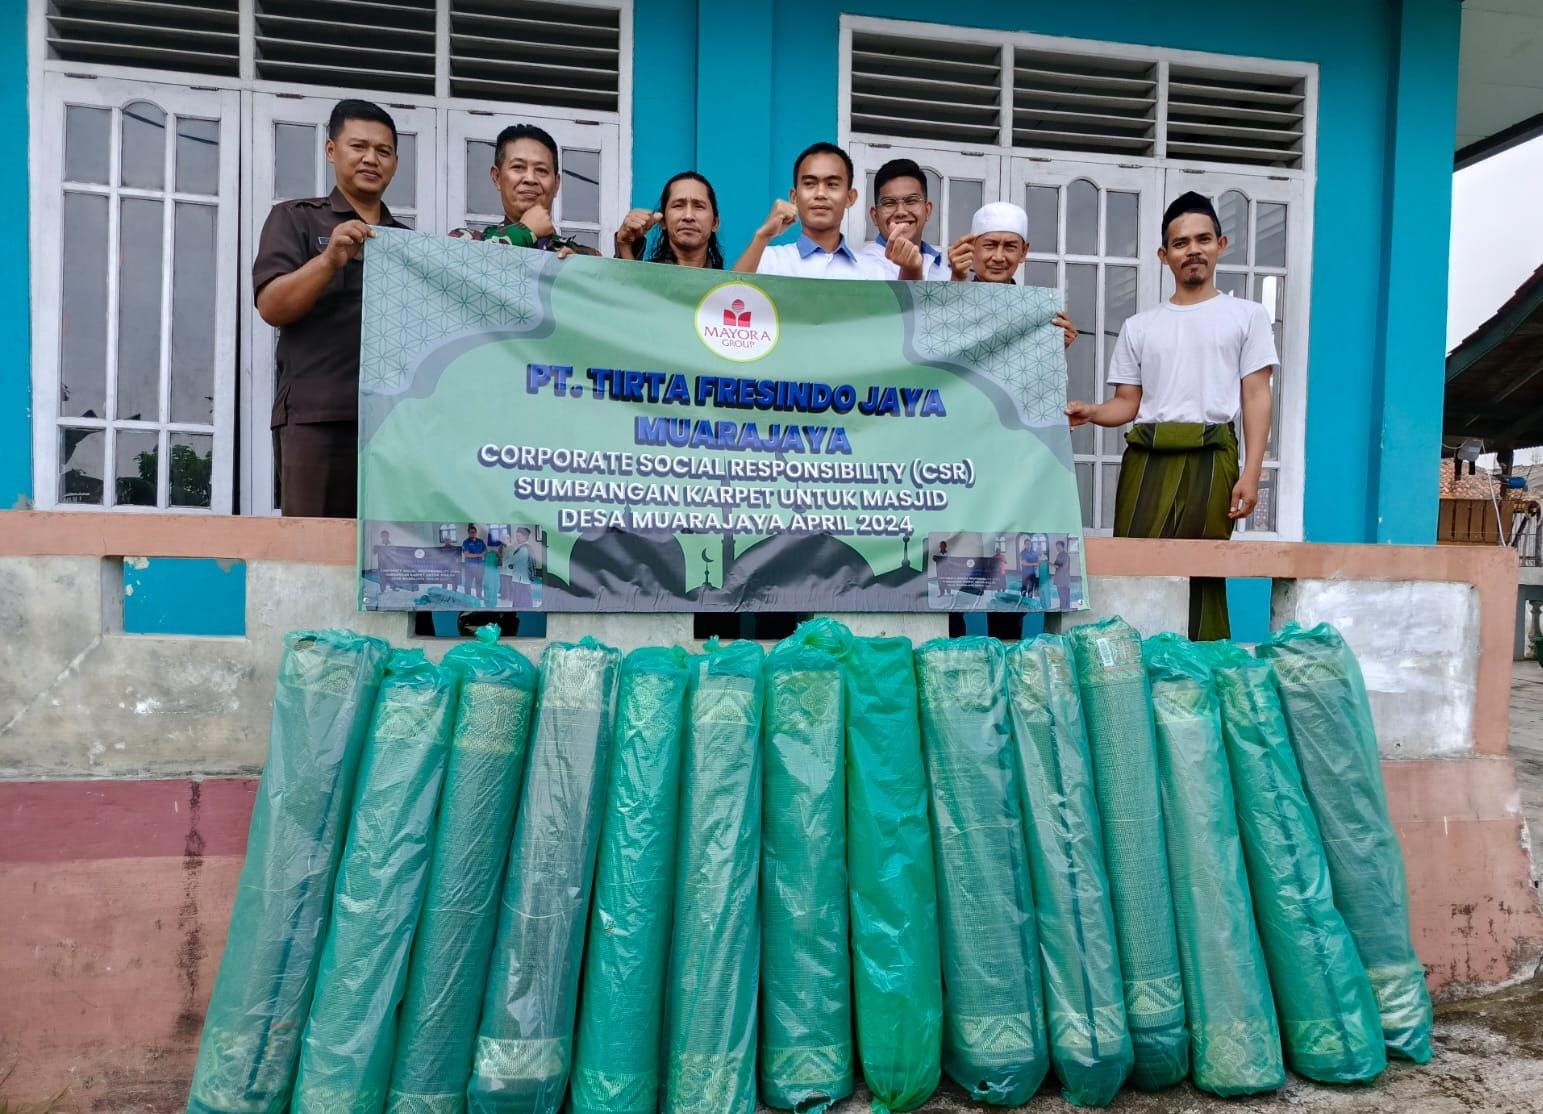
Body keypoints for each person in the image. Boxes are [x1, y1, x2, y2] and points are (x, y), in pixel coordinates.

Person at [1065, 191, 1278, 641]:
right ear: (1164, 256)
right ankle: (1130, 675)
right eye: (1181, 243)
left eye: (1203, 239)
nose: (1193, 250)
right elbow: (1128, 403)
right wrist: (1093, 411)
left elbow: (1257, 396)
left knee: (1204, 573)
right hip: (1148, 455)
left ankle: (1203, 676)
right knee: (1135, 568)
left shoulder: (1247, 316)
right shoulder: (1139, 326)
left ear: (1222, 244)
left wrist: (1251, 473)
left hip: (1213, 453)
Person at [255, 98, 405, 517]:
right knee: (312, 557)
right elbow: (271, 306)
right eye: (359, 146)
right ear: (331, 151)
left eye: (384, 151)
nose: (371, 159)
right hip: (315, 421)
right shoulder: (296, 220)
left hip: (392, 425)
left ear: (395, 163)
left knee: (389, 558)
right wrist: (328, 261)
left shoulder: (407, 243)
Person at [733, 142, 922, 279]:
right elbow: (727, 301)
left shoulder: (876, 271)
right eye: (809, 183)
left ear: (850, 198)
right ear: (794, 197)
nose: (820, 194)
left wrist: (912, 268)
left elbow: (907, 325)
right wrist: (761, 236)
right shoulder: (768, 260)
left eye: (832, 184)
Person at [449, 124, 597, 256]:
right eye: (518, 167)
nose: (530, 178)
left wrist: (577, 272)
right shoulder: (462, 242)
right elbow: (460, 273)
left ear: (556, 184)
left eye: (541, 170)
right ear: (497, 177)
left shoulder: (585, 258)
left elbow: (612, 286)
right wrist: (525, 231)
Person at [951, 202, 1077, 347]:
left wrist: (1056, 350)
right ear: (972, 247)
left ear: (1023, 252)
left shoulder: (1038, 315)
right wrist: (955, 281)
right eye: (990, 245)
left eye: (1010, 247)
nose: (998, 257)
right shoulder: (948, 301)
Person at [857, 158, 950, 281]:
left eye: (911, 201)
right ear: (875, 216)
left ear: (927, 211)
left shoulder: (944, 273)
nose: (901, 212)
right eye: (889, 203)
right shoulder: (858, 268)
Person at [614, 171, 725, 268]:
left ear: (715, 223)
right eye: (678, 205)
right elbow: (627, 289)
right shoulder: (647, 278)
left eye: (699, 206)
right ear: (663, 221)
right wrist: (625, 246)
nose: (688, 216)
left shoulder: (727, 287)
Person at [460, 524, 487, 595]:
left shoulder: (480, 541)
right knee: (468, 582)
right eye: (471, 532)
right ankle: (468, 597)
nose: (473, 533)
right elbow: (466, 554)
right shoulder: (466, 542)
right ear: (468, 533)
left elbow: (485, 550)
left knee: (479, 582)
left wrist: (481, 554)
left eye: (474, 532)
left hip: (480, 566)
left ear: (476, 532)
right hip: (469, 566)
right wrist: (478, 555)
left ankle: (479, 595)